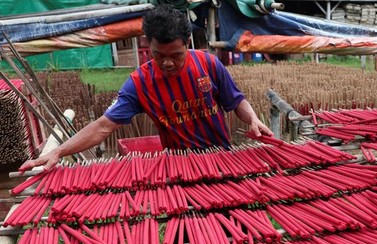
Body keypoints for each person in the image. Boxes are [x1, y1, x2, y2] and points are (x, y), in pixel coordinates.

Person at [20, 4, 271, 173]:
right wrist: (60, 151)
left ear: (187, 43)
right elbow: (103, 126)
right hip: (180, 171)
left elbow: (236, 101)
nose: (168, 63)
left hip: (222, 163)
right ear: (148, 45)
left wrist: (253, 119)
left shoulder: (208, 64)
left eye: (176, 55)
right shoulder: (139, 83)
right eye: (159, 55)